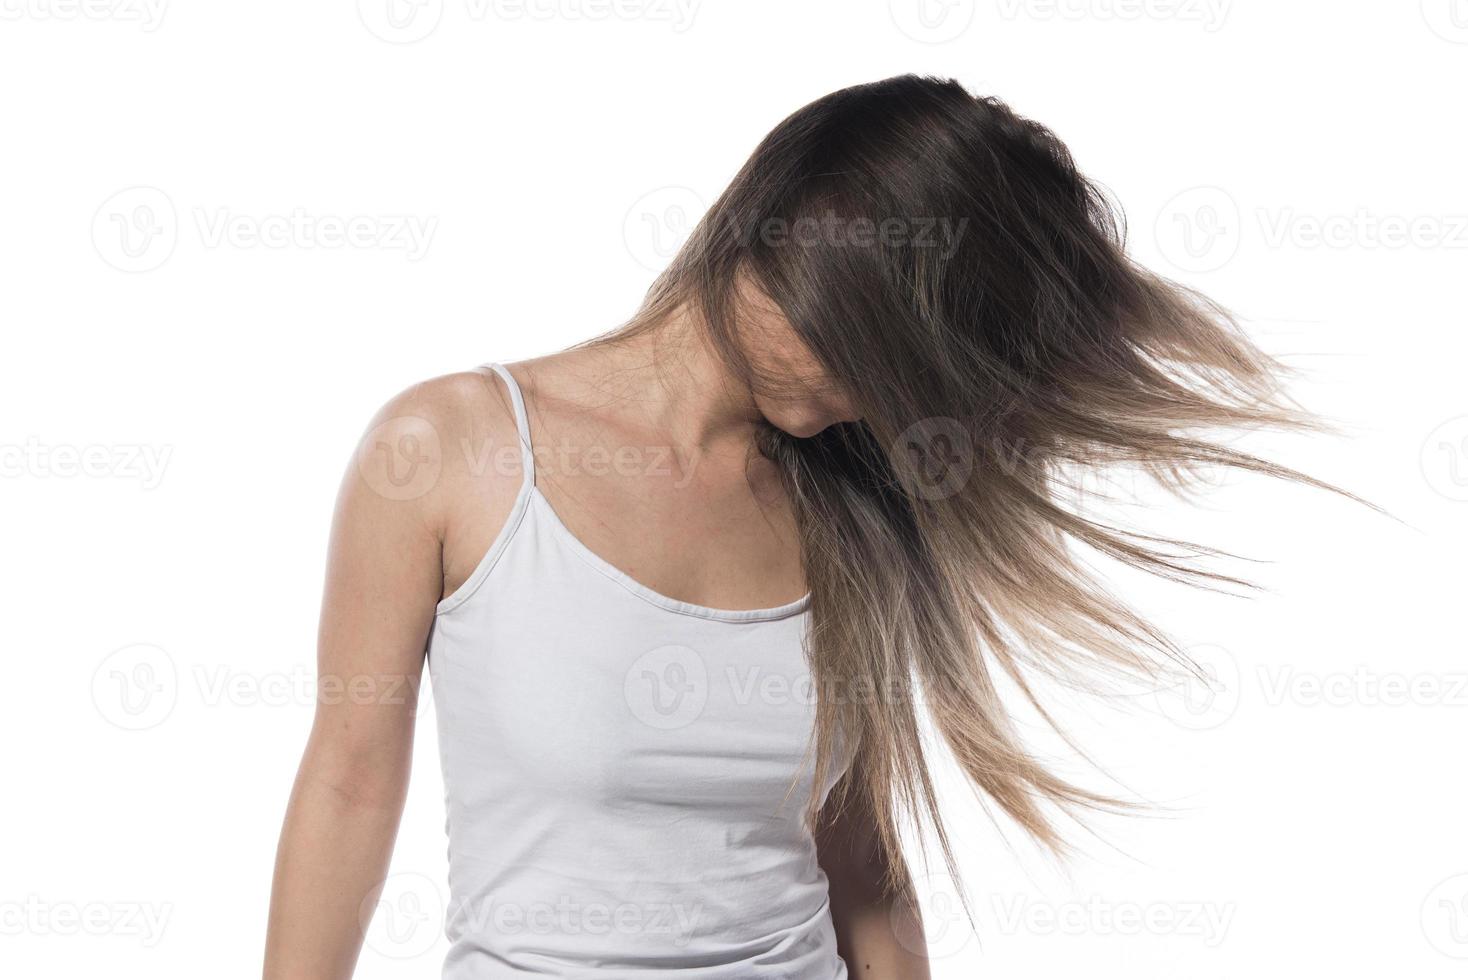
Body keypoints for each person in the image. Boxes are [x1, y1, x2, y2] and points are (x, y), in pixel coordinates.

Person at [264, 74, 1317, 978]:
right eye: (867, 347)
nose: (873, 396)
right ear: (785, 245)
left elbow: (858, 857)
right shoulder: (452, 446)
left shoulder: (853, 506)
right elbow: (351, 783)